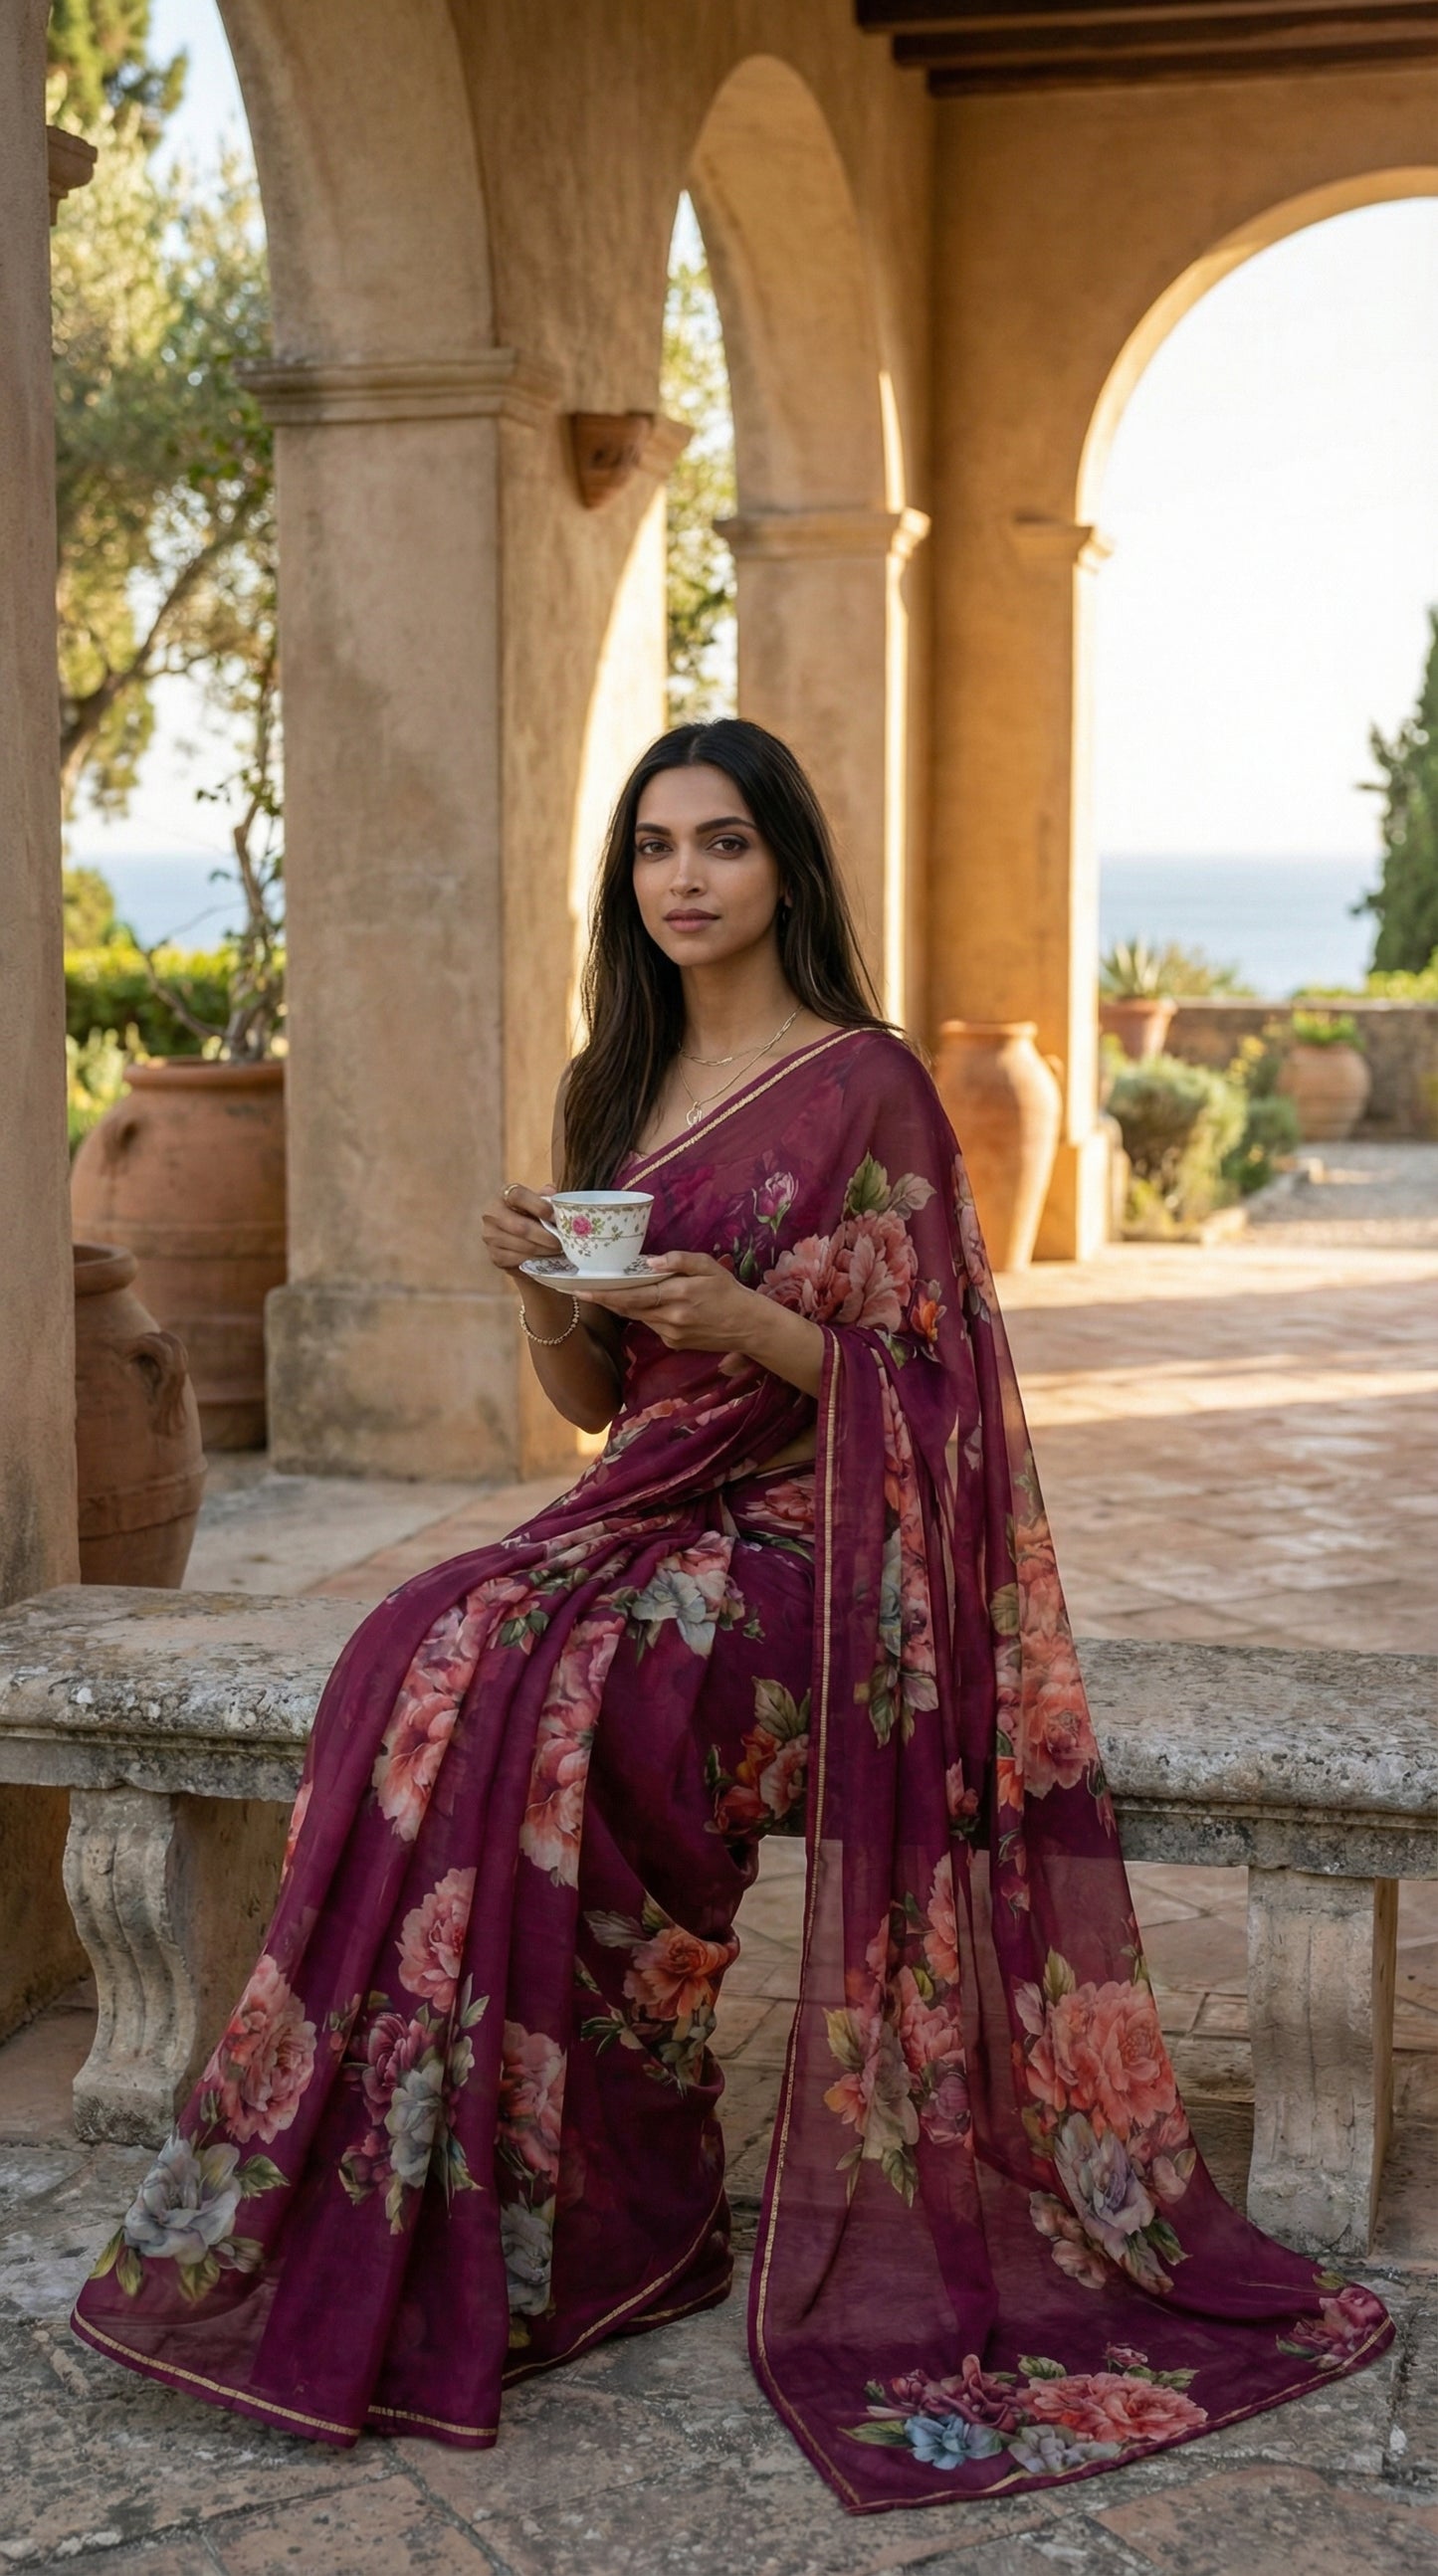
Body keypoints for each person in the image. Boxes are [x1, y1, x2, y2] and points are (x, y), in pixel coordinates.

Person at [72, 720, 1390, 2513]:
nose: (682, 878)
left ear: (785, 867)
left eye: (721, 843)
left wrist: (764, 1324)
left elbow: (947, 1391)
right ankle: (535, 2196)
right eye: (651, 848)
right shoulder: (609, 1086)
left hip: (830, 1537)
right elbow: (592, 1401)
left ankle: (619, 2185)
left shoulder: (867, 1085)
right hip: (658, 1493)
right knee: (429, 1641)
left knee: (583, 1665)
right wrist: (540, 1287)